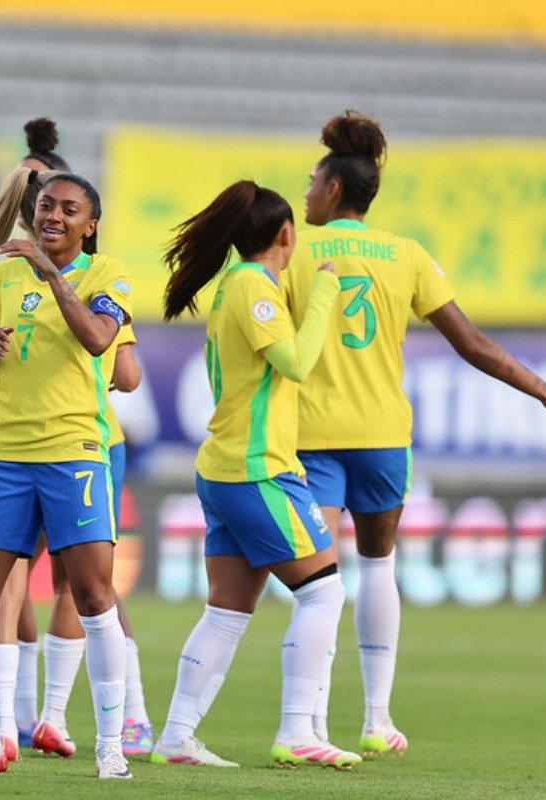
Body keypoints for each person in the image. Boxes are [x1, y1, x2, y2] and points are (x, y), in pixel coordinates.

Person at [284, 110, 546, 757]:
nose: (306, 191)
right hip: (381, 436)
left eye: (312, 181)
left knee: (320, 583)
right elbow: (472, 344)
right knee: (379, 565)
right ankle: (376, 719)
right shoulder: (407, 254)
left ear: (334, 189)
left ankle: (310, 725)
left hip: (311, 434)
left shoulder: (293, 252)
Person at [0, 120, 156, 760]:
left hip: (79, 448)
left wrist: (54, 279)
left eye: (65, 206)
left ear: (89, 222)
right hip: (4, 451)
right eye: (43, 203)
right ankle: (0, 729)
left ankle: (97, 730)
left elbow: (112, 356)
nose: (50, 213)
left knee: (88, 590)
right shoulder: (3, 275)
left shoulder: (105, 275)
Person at [154, 179, 363, 770]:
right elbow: (294, 361)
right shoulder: (252, 286)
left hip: (227, 468)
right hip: (257, 469)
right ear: (286, 235)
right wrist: (324, 294)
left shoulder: (235, 285)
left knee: (227, 611)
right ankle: (297, 731)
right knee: (323, 591)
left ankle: (176, 737)